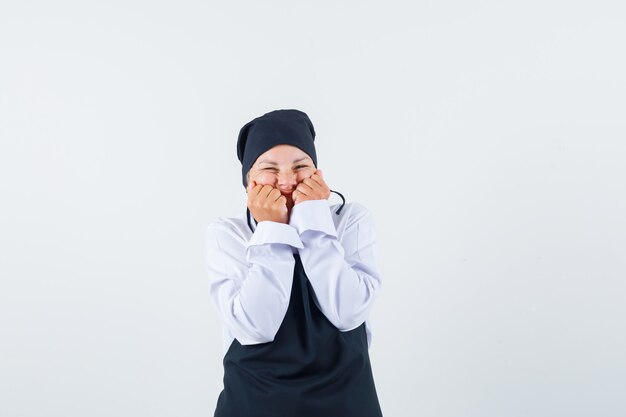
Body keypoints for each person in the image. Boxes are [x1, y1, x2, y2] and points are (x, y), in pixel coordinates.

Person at [204, 109, 384, 416]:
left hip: (347, 403)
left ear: (318, 173)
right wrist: (273, 229)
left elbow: (348, 311)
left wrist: (312, 219)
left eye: (301, 167)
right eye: (269, 169)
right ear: (249, 180)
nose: (286, 181)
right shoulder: (229, 233)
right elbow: (255, 328)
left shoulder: (350, 220)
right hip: (253, 404)